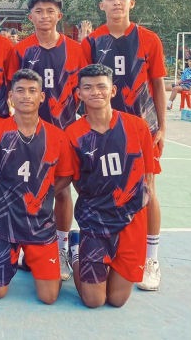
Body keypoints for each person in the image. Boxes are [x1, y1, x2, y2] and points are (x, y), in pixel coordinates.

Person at [81, 0, 166, 292]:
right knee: (103, 187)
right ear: (101, 5)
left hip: (142, 126)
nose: (116, 3)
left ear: (132, 3)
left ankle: (151, 258)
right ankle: (104, 248)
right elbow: (85, 86)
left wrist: (162, 127)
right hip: (103, 129)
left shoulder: (148, 39)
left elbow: (157, 84)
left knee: (147, 188)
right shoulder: (92, 42)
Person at [6, 0, 86, 281]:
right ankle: (25, 245)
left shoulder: (76, 50)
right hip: (29, 133)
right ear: (30, 16)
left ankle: (62, 248)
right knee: (26, 189)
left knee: (62, 190)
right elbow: (12, 91)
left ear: (59, 15)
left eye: (50, 11)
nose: (44, 16)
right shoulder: (21, 50)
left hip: (64, 132)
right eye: (39, 11)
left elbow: (84, 89)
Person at [64, 64, 157, 308]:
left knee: (116, 300)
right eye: (88, 87)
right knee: (94, 300)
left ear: (113, 90)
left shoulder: (137, 126)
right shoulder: (73, 134)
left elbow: (148, 178)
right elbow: (75, 180)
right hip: (95, 220)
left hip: (131, 220)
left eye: (101, 86)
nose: (95, 92)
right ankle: (76, 251)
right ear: (79, 94)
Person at [0, 69, 74, 304]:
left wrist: (43, 194)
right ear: (11, 96)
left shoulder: (56, 136)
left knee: (49, 297)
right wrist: (6, 194)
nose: (26, 96)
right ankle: (15, 258)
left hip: (40, 225)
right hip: (4, 223)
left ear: (42, 97)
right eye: (20, 91)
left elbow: (65, 176)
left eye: (32, 91)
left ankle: (73, 248)